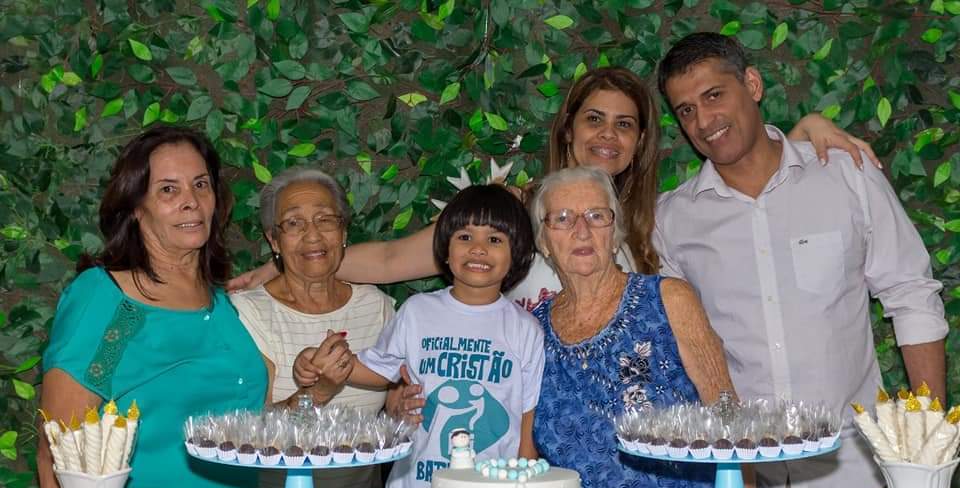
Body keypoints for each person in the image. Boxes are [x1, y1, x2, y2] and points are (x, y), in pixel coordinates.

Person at [653, 32, 948, 488]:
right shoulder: (674, 219)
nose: (703, 120)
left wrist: (924, 443)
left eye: (715, 95)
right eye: (686, 110)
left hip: (857, 481)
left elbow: (911, 294)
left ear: (752, 84)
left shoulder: (846, 174)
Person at [227, 69, 876, 305]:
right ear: (568, 128)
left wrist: (802, 133)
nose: (608, 135)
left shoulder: (657, 222)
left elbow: (746, 175)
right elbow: (396, 258)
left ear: (640, 143)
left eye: (625, 124)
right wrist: (289, 263)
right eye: (594, 119)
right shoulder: (511, 210)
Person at [37, 125, 268, 488]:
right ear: (135, 207)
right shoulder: (110, 303)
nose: (191, 201)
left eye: (201, 184)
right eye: (168, 189)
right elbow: (56, 453)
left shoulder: (220, 302)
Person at [293, 184, 544, 488]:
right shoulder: (417, 311)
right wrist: (319, 361)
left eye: (494, 239)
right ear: (445, 247)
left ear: (517, 252)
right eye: (464, 236)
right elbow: (379, 369)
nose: (478, 249)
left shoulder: (526, 330)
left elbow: (527, 425)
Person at [526, 165, 738, 488]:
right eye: (563, 219)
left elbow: (729, 417)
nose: (581, 230)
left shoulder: (668, 299)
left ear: (615, 231)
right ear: (544, 241)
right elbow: (525, 453)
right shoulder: (531, 331)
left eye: (596, 215)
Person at [230, 166, 398, 488]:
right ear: (273, 240)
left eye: (325, 220)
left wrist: (408, 404)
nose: (312, 236)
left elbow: (394, 404)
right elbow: (246, 431)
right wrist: (318, 393)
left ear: (343, 232)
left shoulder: (377, 307)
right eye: (293, 224)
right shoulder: (248, 312)